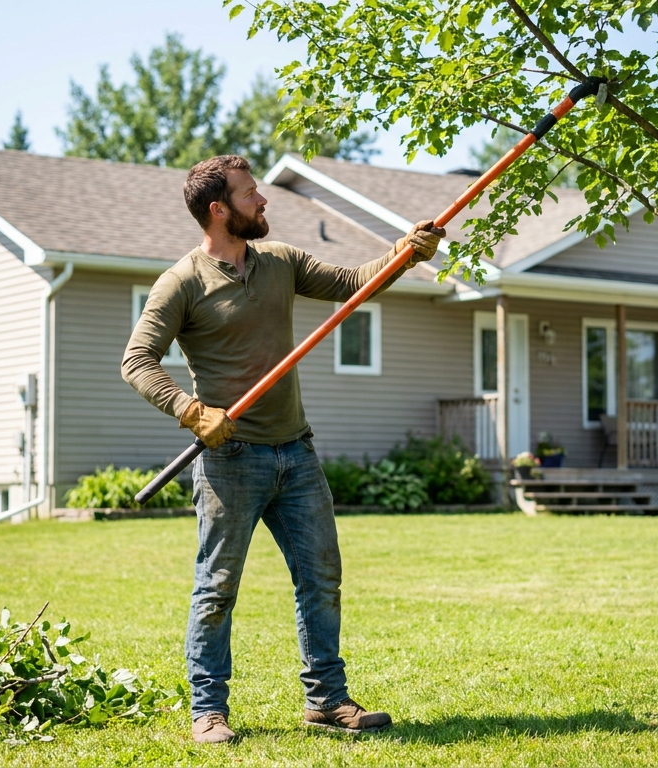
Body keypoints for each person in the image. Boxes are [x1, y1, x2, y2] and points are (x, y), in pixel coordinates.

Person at [121, 155, 444, 744]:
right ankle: (208, 710)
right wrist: (192, 412)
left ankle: (326, 700)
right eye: (250, 195)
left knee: (321, 577)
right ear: (219, 210)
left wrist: (405, 251)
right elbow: (137, 362)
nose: (263, 201)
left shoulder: (281, 262)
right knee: (217, 587)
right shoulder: (183, 282)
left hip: (295, 453)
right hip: (231, 460)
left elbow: (354, 284)